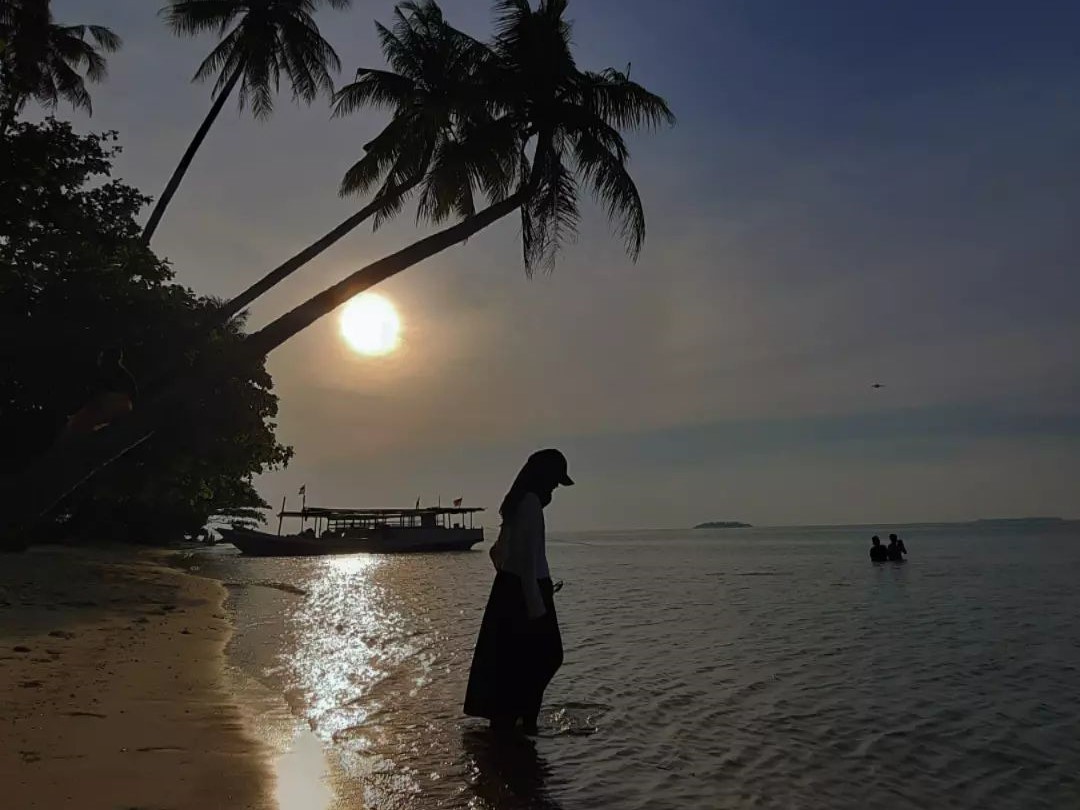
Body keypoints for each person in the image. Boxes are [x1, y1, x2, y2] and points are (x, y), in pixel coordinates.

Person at [464, 448, 573, 735]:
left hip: (512, 590)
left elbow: (497, 552)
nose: (554, 488)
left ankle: (517, 719)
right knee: (548, 656)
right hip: (527, 592)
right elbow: (527, 558)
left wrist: (509, 582)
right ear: (543, 477)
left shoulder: (516, 503)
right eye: (554, 481)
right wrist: (535, 601)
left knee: (514, 660)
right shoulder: (530, 504)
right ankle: (525, 720)